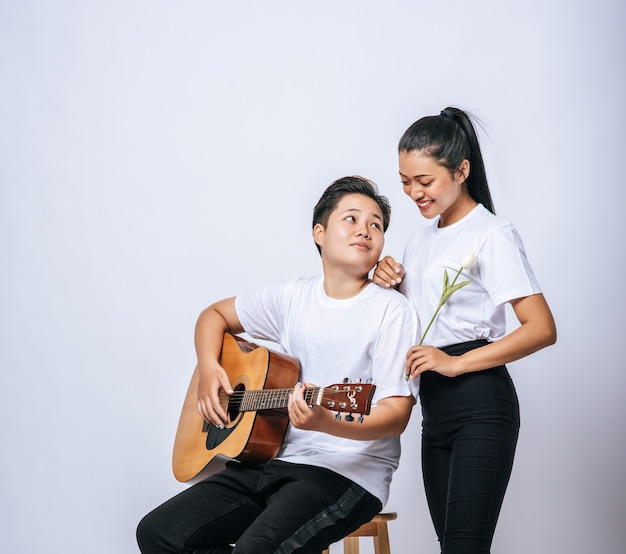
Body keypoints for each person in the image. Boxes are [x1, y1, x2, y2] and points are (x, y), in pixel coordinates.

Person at [137, 176, 418, 554]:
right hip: (273, 462)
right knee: (158, 532)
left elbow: (396, 415)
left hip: (347, 474)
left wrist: (325, 421)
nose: (365, 230)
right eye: (351, 219)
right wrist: (208, 371)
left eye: (376, 225)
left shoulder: (392, 310)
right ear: (319, 232)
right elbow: (213, 315)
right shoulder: (292, 297)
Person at [373, 107, 557, 553]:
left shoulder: (491, 234)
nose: (414, 193)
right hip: (433, 409)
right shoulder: (419, 241)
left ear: (461, 170)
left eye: (425, 181)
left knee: (464, 547)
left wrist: (455, 362)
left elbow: (541, 328)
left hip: (480, 404)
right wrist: (388, 285)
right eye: (405, 181)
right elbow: (417, 326)